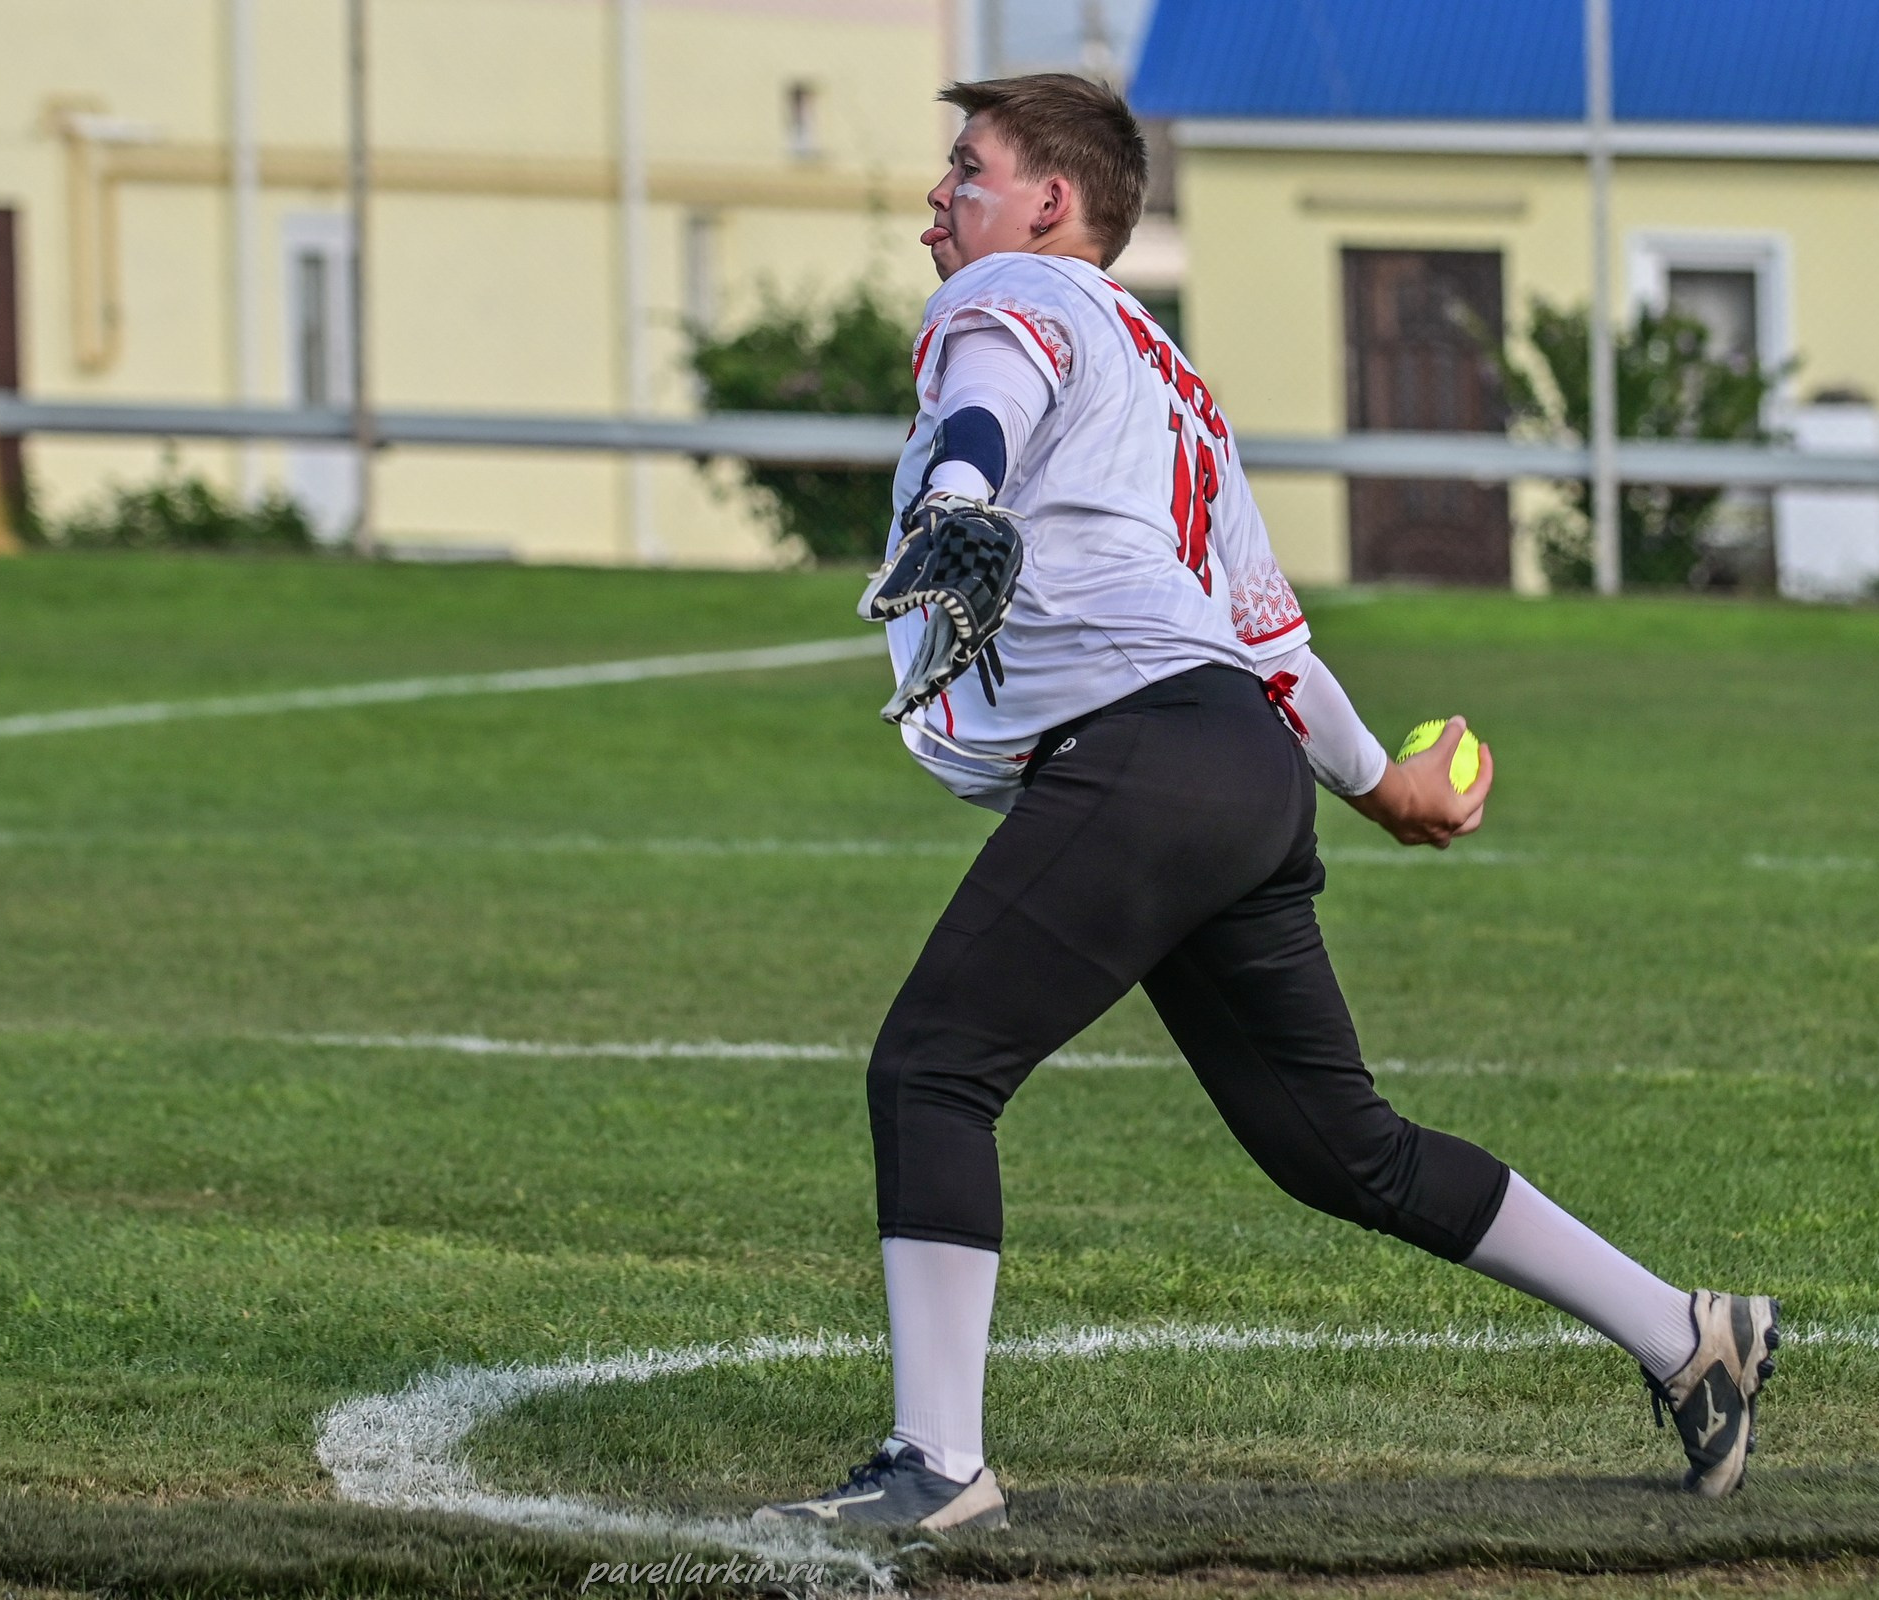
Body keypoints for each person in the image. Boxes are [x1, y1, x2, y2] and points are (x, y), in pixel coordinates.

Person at [755, 73, 1776, 1533]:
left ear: (1053, 204)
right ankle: (1691, 1335)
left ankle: (939, 1463)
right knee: (1337, 1148)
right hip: (1228, 764)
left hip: (1149, 756)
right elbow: (1270, 641)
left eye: (965, 169)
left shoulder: (1012, 295)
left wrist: (964, 495)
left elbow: (989, 394)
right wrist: (1381, 786)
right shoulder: (1173, 387)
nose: (939, 196)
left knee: (933, 1068)